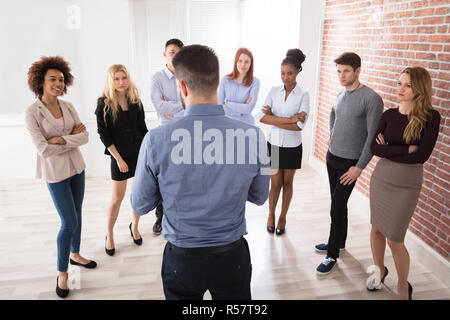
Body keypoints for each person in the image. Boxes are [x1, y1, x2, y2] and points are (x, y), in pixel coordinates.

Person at [131, 44, 270, 300]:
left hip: (181, 259)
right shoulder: (256, 137)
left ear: (181, 86)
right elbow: (260, 197)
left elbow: (140, 205)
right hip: (232, 257)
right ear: (218, 83)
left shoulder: (155, 140)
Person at [25, 56, 96, 298]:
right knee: (69, 222)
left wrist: (60, 139)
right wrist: (69, 139)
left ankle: (75, 253)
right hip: (55, 173)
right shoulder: (32, 112)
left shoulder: (68, 106)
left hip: (77, 168)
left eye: (61, 79)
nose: (58, 83)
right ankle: (62, 272)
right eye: (53, 79)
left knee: (77, 214)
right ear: (41, 82)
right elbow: (43, 149)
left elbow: (85, 137)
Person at [367, 67, 441, 300]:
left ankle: (402, 285)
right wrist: (406, 148)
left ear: (419, 88)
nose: (399, 89)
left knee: (395, 238)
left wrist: (390, 149)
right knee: (376, 230)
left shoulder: (431, 117)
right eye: (399, 83)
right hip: (382, 178)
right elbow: (374, 148)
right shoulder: (388, 115)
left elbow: (422, 156)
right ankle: (379, 271)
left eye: (407, 85)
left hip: (407, 184)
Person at [314, 52, 383, 275]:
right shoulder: (340, 92)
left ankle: (332, 254)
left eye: (346, 71)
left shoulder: (371, 98)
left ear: (357, 71)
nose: (341, 75)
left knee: (335, 207)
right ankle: (339, 243)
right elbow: (334, 115)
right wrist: (332, 137)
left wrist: (359, 167)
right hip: (332, 157)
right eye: (338, 71)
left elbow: (373, 137)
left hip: (349, 164)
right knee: (337, 203)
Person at [95, 64, 148, 256]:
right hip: (119, 156)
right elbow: (104, 134)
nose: (121, 82)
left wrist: (146, 154)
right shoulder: (104, 103)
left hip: (138, 154)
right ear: (111, 81)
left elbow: (142, 129)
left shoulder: (135, 100)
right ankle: (109, 234)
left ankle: (134, 226)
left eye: (123, 78)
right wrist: (118, 159)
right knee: (117, 199)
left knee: (138, 195)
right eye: (116, 79)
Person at [259, 49, 309, 236]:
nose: (285, 77)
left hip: (292, 146)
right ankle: (271, 215)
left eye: (289, 73)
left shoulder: (303, 95)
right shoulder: (273, 91)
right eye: (282, 73)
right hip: (274, 145)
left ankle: (283, 217)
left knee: (287, 183)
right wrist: (290, 119)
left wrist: (275, 118)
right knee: (275, 183)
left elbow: (299, 126)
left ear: (297, 72)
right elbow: (262, 118)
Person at [149, 38, 184, 235]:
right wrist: (180, 106)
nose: (174, 55)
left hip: (184, 134)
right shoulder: (156, 78)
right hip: (165, 136)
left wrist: (173, 108)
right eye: (171, 52)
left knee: (181, 178)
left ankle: (178, 215)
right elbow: (160, 107)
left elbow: (190, 105)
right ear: (165, 54)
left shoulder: (186, 76)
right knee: (163, 178)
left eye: (178, 52)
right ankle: (160, 217)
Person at [218, 47, 260, 125]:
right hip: (227, 123)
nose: (243, 65)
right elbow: (219, 107)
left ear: (251, 64)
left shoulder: (255, 82)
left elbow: (248, 109)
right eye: (240, 61)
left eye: (246, 62)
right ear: (236, 61)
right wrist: (242, 108)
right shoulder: (225, 80)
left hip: (246, 125)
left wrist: (228, 104)